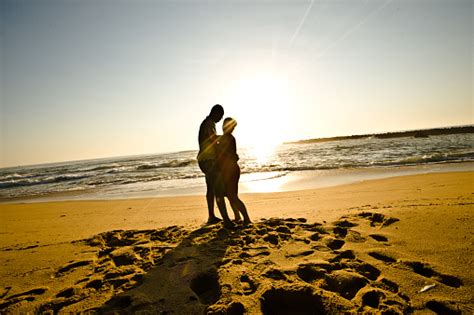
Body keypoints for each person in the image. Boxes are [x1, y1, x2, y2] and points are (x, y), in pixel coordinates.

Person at [197, 104, 233, 228]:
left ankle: (211, 216)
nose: (220, 119)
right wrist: (226, 138)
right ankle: (226, 220)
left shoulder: (208, 123)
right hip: (209, 160)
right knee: (218, 189)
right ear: (215, 113)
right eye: (220, 116)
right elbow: (213, 140)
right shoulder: (208, 124)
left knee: (210, 189)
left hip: (204, 159)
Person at [216, 117, 251, 225]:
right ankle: (237, 216)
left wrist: (217, 146)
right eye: (224, 125)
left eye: (228, 126)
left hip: (231, 170)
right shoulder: (225, 138)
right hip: (230, 170)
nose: (224, 127)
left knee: (232, 196)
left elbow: (228, 155)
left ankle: (246, 218)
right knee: (230, 195)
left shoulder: (228, 138)